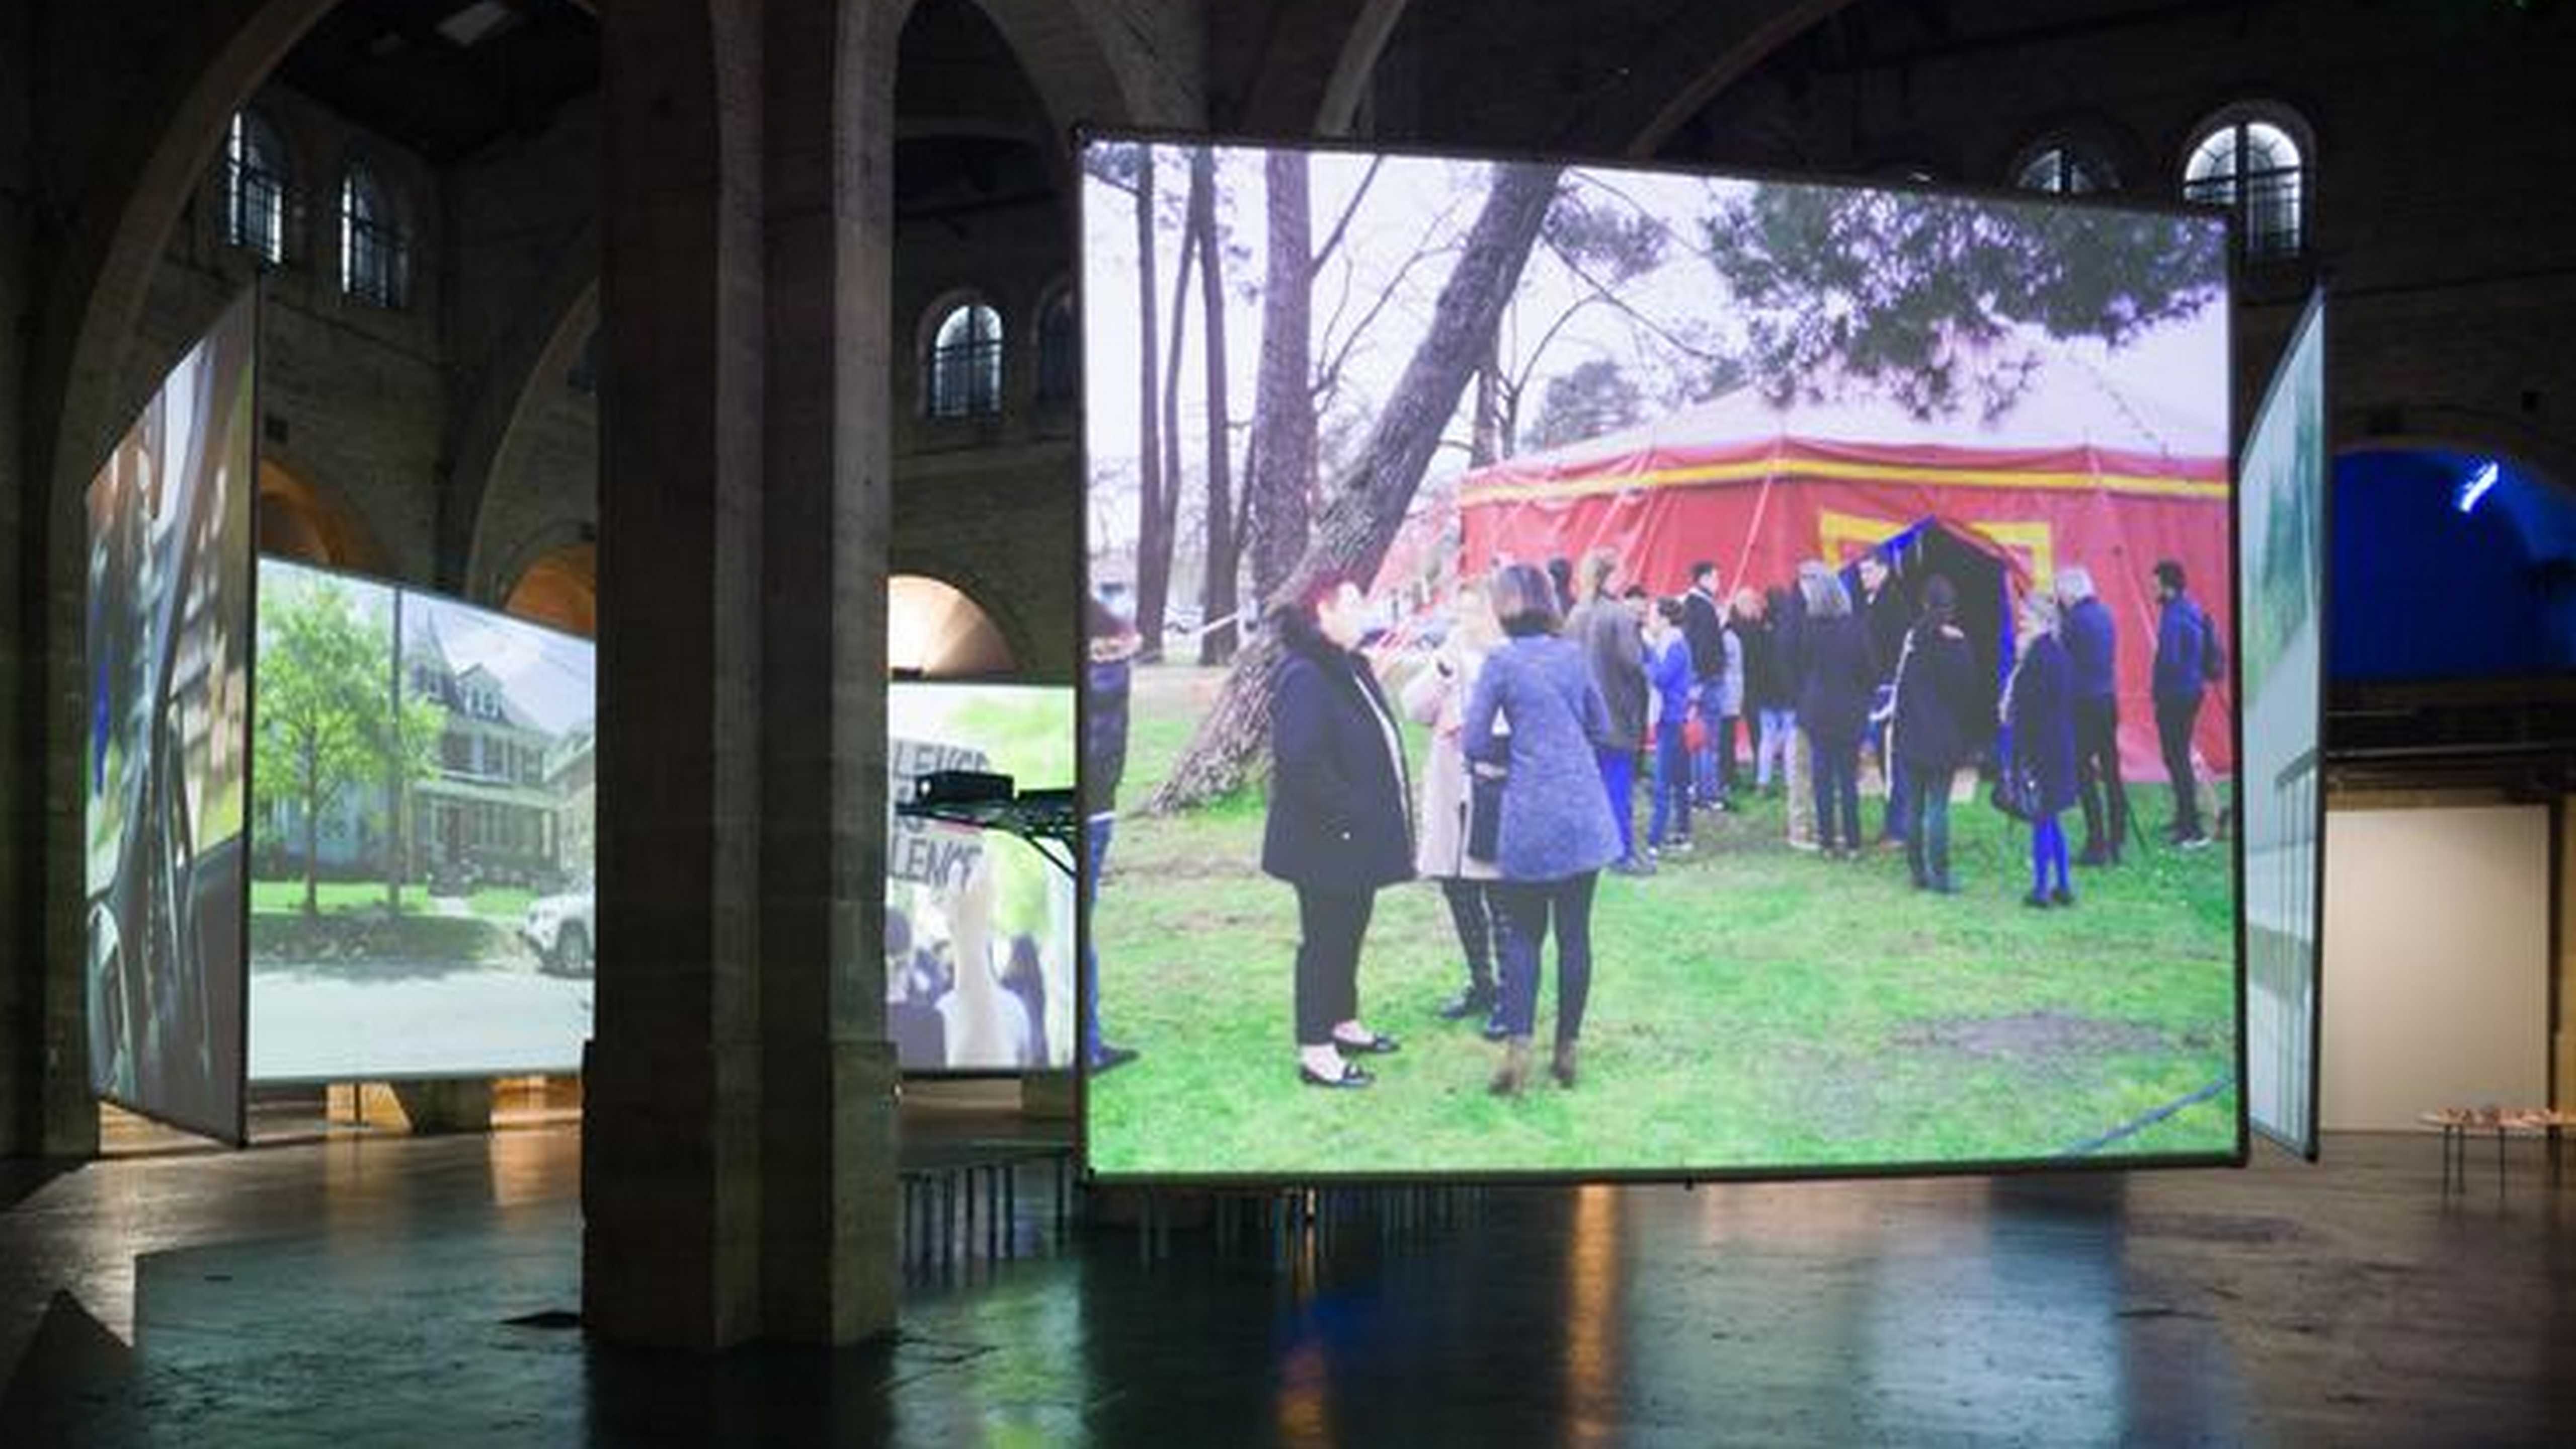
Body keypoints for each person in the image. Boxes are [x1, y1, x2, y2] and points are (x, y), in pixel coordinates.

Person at [1464, 563, 1623, 1096]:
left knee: (1523, 937)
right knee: (1575, 935)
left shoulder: (1500, 663)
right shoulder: (1573, 657)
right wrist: (1561, 747)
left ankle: (1517, 1052)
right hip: (1582, 815)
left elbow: (1473, 743)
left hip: (1528, 819)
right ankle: (1567, 1052)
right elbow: (1601, 728)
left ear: (1503, 606)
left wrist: (1519, 752)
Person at [1263, 574, 1414, 1089]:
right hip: (1325, 840)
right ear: (1322, 614)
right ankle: (1315, 1050)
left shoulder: (1350, 667)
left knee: (1349, 934)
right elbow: (1301, 763)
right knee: (1324, 942)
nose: (1363, 613)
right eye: (1353, 605)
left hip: (1355, 839)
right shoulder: (1304, 674)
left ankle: (1342, 1022)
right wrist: (1352, 813)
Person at [1400, 576, 1507, 1038]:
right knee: (1458, 892)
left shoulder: (1507, 660)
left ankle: (1511, 992)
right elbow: (1414, 709)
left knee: (1500, 898)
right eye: (1461, 612)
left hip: (1494, 791)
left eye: (1476, 611)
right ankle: (1482, 982)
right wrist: (1442, 669)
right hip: (1450, 790)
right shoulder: (1448, 660)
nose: (1467, 622)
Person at [1891, 574, 1983, 894]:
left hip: (1914, 735)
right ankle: (1941, 875)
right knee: (1938, 807)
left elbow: (1902, 689)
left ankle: (1917, 872)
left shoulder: (1912, 642)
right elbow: (1969, 694)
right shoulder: (1958, 645)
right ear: (1951, 608)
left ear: (1924, 603)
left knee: (1915, 806)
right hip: (1945, 736)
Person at [1081, 595, 1141, 1074]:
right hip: (1097, 810)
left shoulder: (1092, 673)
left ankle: (1087, 1042)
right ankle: (1088, 1041)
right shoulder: (1112, 669)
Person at [1565, 548, 1651, 875]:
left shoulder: (1576, 614)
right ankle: (1621, 854)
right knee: (1618, 790)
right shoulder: (1620, 616)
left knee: (1590, 791)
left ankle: (1590, 852)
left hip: (1583, 719)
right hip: (1617, 716)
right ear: (1610, 575)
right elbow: (1634, 665)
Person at [2005, 591, 2080, 908]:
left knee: (2042, 819)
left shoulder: (2037, 660)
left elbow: (2026, 712)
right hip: (2060, 744)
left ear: (2045, 622)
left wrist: (2020, 754)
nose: (2022, 622)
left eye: (2028, 618)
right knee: (2052, 819)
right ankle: (2062, 884)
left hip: (2041, 749)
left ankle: (2041, 889)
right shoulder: (2059, 655)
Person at [1797, 566, 1875, 860]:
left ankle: (1827, 841)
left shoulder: (1809, 629)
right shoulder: (1855, 628)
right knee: (1847, 780)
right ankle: (1853, 842)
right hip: (1850, 712)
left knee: (1822, 780)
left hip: (1818, 711)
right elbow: (1869, 671)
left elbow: (1802, 668)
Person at [2056, 566, 2129, 866]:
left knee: (2084, 773)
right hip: (2107, 699)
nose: (2060, 599)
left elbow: (2062, 661)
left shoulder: (2073, 621)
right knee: (2111, 771)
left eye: (2061, 594)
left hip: (2084, 704)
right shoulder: (2106, 614)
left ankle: (2096, 843)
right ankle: (2118, 835)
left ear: (2071, 593)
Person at [2150, 559, 2215, 849]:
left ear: (2167, 585)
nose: (2153, 587)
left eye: (2156, 582)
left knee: (2176, 759)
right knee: (2177, 758)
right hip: (2192, 690)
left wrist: (2157, 687)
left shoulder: (2173, 615)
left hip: (2175, 695)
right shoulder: (2191, 607)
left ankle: (2193, 829)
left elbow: (2170, 659)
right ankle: (2183, 817)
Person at [1855, 552, 1910, 846]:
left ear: (1884, 570)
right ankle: (1894, 824)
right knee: (1884, 761)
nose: (1864, 577)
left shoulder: (1894, 604)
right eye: (1861, 572)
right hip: (1875, 689)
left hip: (1889, 691)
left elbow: (1892, 652)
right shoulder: (1871, 602)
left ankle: (1899, 828)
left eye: (1869, 571)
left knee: (1893, 761)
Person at [1644, 597, 1695, 856]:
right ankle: (1683, 832)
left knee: (1664, 780)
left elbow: (1661, 677)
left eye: (1653, 616)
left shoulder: (1673, 646)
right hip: (1673, 718)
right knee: (1678, 779)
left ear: (1665, 619)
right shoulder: (1674, 644)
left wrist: (1646, 660)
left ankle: (1655, 838)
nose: (1649, 621)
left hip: (1671, 719)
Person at [1681, 561, 1727, 807]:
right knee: (1708, 740)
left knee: (1698, 739)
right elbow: (1703, 648)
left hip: (1700, 680)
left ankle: (1696, 788)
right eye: (1716, 577)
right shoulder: (1701, 607)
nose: (1718, 583)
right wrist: (1700, 682)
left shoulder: (1695, 605)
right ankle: (1708, 793)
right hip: (1707, 681)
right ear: (1704, 578)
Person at [1749, 584, 1795, 795]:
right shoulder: (1793, 626)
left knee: (1766, 738)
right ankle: (1791, 782)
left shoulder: (1760, 627)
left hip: (1766, 692)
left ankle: (1763, 782)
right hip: (1789, 692)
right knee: (1790, 739)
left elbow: (1755, 662)